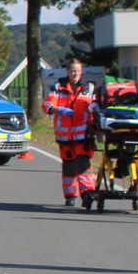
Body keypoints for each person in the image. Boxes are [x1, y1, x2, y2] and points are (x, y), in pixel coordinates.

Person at [43, 59, 97, 207]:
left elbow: (96, 107)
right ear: (67, 71)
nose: (76, 74)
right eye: (73, 71)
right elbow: (47, 104)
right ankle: (70, 196)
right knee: (69, 167)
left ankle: (87, 194)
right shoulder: (58, 87)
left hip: (83, 135)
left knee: (83, 165)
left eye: (78, 71)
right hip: (65, 137)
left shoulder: (89, 88)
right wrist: (58, 109)